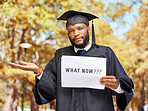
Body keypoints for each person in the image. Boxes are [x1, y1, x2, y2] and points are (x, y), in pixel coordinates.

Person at [10, 10, 134, 111]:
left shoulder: (106, 53)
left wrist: (117, 86)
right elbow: (52, 88)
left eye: (80, 28)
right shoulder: (61, 55)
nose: (76, 33)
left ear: (88, 29)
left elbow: (125, 85)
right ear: (68, 34)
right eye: (71, 30)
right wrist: (39, 72)